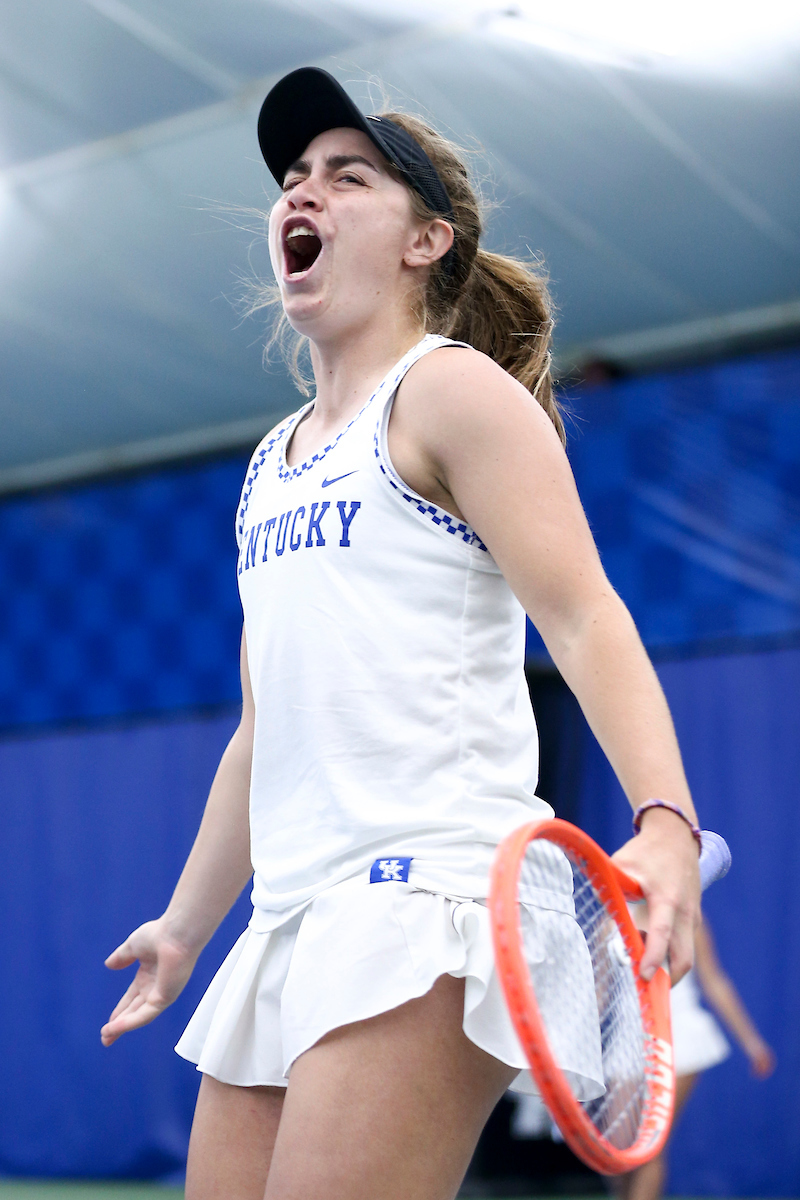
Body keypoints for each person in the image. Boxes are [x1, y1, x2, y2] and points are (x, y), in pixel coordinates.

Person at [100, 66, 702, 1200]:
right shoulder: (265, 467)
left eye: (346, 176)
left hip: (425, 896)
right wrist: (185, 926)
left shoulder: (452, 393)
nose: (302, 194)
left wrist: (664, 820)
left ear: (425, 239)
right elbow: (259, 729)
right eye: (291, 179)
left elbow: (583, 617)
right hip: (287, 914)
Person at [616, 917, 775, 1200]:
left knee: (651, 1146)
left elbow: (714, 981)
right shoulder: (610, 916)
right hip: (621, 1046)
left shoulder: (687, 916)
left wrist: (752, 1043)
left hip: (678, 1040)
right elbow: (601, 989)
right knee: (622, 1152)